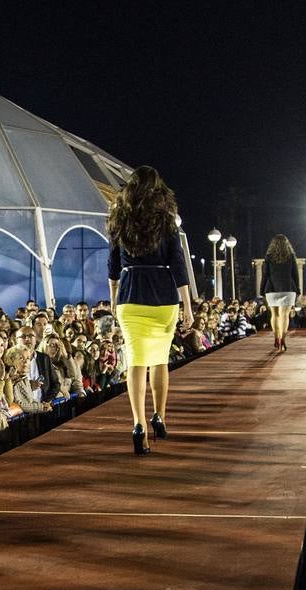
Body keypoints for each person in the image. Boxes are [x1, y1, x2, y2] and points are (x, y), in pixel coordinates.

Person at [106, 165, 194, 454]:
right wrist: (188, 306)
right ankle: (160, 415)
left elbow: (113, 266)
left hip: (130, 296)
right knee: (159, 360)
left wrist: (113, 300)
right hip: (163, 297)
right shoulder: (166, 220)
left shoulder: (120, 217)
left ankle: (138, 423)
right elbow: (178, 265)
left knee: (135, 362)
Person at [260, 234, 300, 351]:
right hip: (288, 288)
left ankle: (276, 337)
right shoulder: (291, 256)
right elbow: (295, 275)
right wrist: (297, 288)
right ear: (287, 245)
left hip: (272, 288)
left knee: (275, 315)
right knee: (284, 315)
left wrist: (262, 290)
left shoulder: (269, 257)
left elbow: (265, 275)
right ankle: (283, 339)